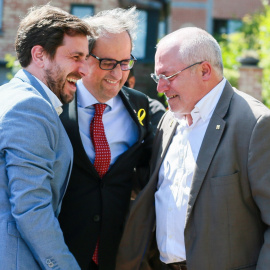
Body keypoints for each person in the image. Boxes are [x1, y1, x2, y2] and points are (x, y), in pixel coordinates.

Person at [116, 27, 270, 270]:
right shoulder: (170, 121)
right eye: (159, 78)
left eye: (169, 76)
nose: (160, 88)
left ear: (205, 70)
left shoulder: (255, 124)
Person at [58, 7, 154, 270]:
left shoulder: (141, 107)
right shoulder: (55, 105)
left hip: (117, 257)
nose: (118, 73)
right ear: (84, 58)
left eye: (125, 63)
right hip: (61, 254)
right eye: (108, 63)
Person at [0, 4, 90, 269]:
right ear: (39, 55)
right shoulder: (30, 107)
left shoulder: (8, 95)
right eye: (76, 57)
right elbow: (31, 209)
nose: (84, 69)